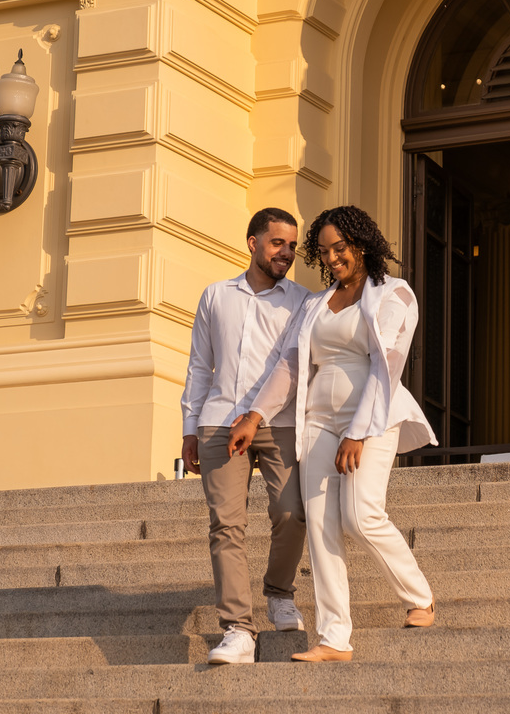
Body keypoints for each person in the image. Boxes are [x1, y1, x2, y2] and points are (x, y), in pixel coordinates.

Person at [228, 205, 437, 663]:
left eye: (340, 248)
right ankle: (334, 637)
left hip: (372, 418)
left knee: (360, 515)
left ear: (361, 244)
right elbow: (289, 364)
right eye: (324, 252)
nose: (333, 259)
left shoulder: (394, 295)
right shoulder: (316, 304)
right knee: (321, 526)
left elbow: (387, 368)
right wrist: (255, 416)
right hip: (318, 421)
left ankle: (419, 596)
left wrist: (359, 431)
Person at [181, 207, 311, 664]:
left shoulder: (303, 301)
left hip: (280, 421)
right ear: (253, 242)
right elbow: (200, 366)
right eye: (278, 243)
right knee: (226, 525)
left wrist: (256, 416)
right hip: (219, 420)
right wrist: (189, 428)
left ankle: (278, 592)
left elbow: (293, 368)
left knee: (293, 511)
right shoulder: (216, 296)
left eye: (293, 245)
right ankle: (238, 629)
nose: (287, 253)